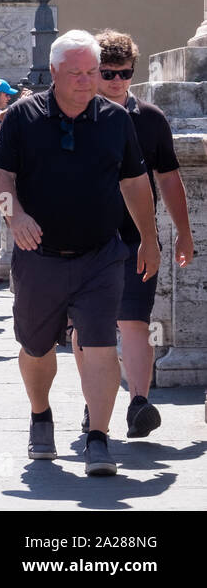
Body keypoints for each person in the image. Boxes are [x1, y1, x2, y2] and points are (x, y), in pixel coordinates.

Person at [0, 30, 159, 476]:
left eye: (93, 73)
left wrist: (149, 238)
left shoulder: (116, 120)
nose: (87, 81)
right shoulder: (23, 117)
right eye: (77, 73)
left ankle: (98, 439)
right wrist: (15, 217)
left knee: (101, 344)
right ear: (54, 73)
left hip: (101, 255)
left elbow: (135, 183)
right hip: (39, 254)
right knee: (36, 347)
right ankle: (41, 415)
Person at [73, 30, 194, 438]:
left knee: (134, 322)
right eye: (107, 73)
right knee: (88, 328)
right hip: (83, 239)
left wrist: (182, 233)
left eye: (124, 73)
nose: (117, 81)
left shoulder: (150, 119)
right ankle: (95, 404)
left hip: (137, 238)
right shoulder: (74, 116)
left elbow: (171, 178)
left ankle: (139, 402)